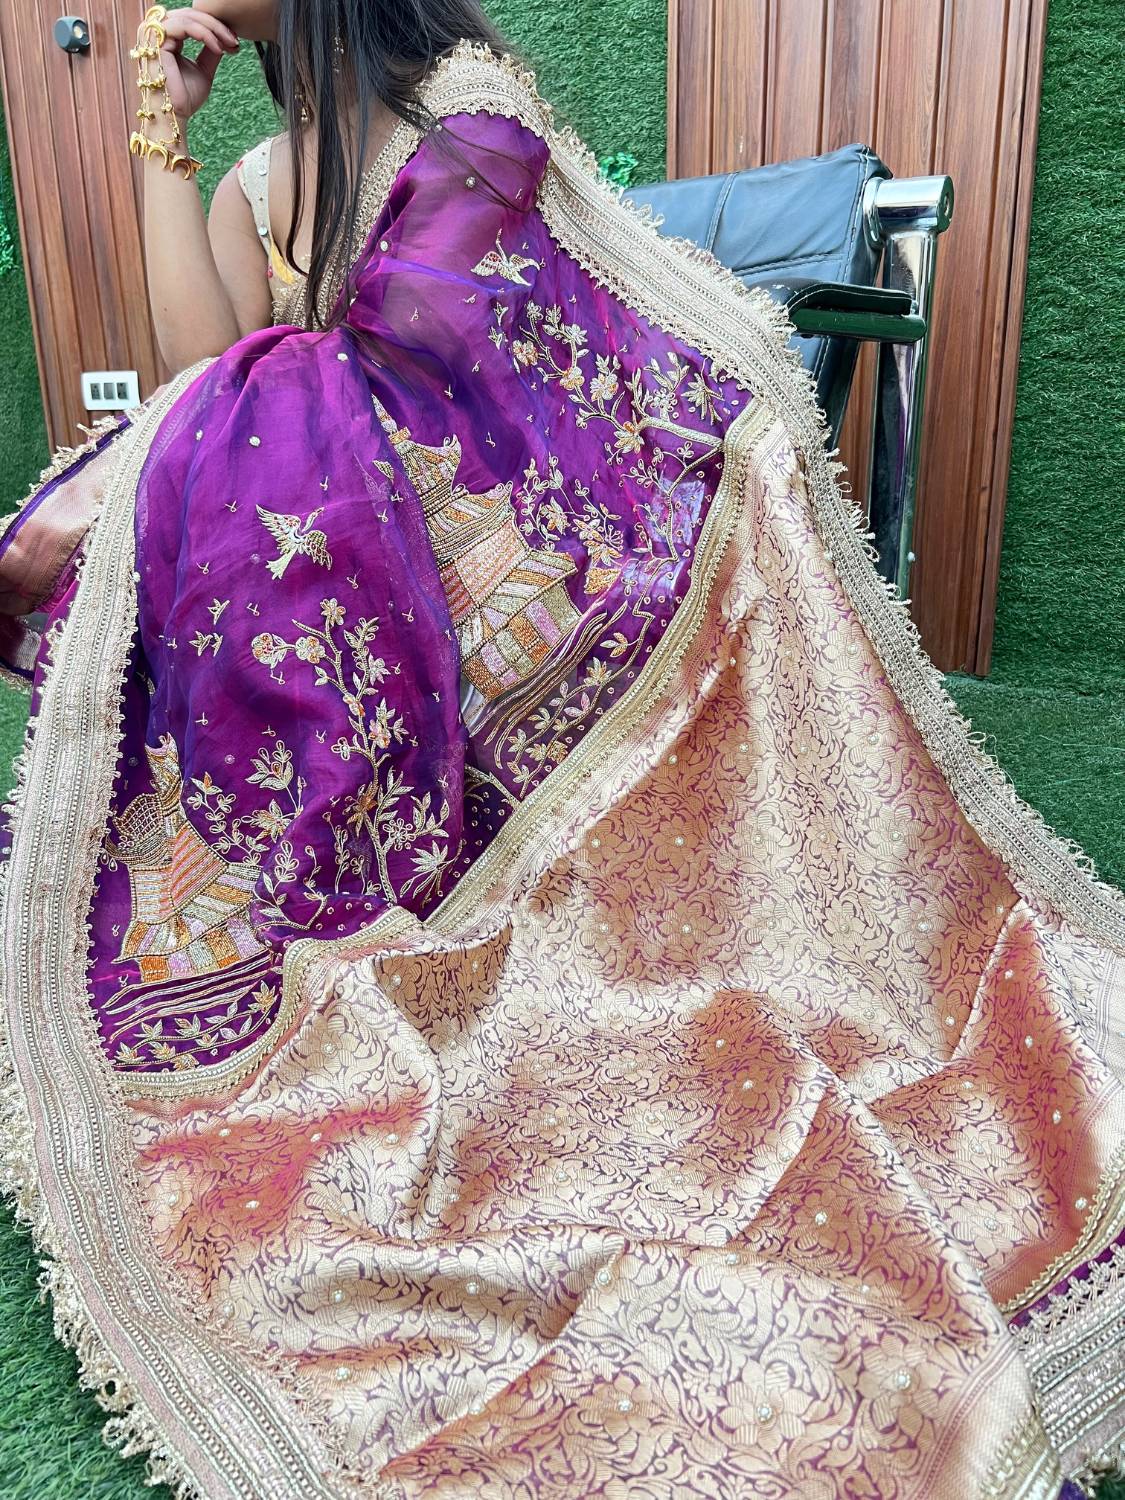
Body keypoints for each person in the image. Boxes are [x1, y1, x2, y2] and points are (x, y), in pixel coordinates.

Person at [0, 4, 1122, 1497]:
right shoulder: (260, 179)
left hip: (538, 573)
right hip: (359, 574)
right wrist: (163, 139)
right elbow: (204, 380)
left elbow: (456, 381)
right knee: (202, 539)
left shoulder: (468, 114)